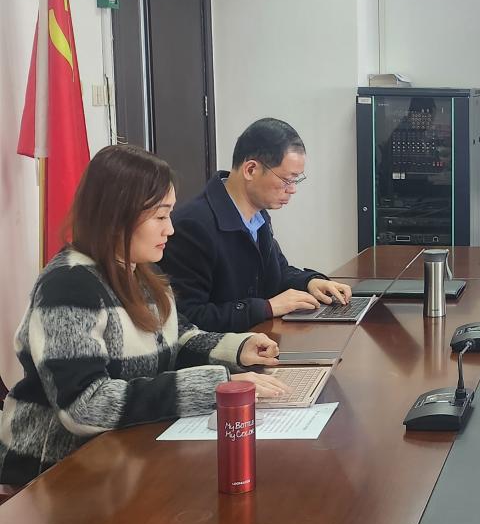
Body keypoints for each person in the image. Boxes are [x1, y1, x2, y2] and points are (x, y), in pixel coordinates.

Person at [0, 145, 285, 488]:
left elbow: (175, 339)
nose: (171, 230)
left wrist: (237, 349)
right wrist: (213, 386)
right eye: (160, 217)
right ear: (117, 215)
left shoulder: (140, 273)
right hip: (54, 473)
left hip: (124, 456)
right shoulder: (68, 285)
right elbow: (85, 406)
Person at [160, 118, 352, 331]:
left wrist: (310, 282)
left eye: (296, 180)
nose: (292, 189)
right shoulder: (193, 226)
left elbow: (276, 273)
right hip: (226, 349)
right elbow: (188, 319)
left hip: (258, 339)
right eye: (287, 180)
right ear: (251, 169)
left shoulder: (258, 215)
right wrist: (266, 308)